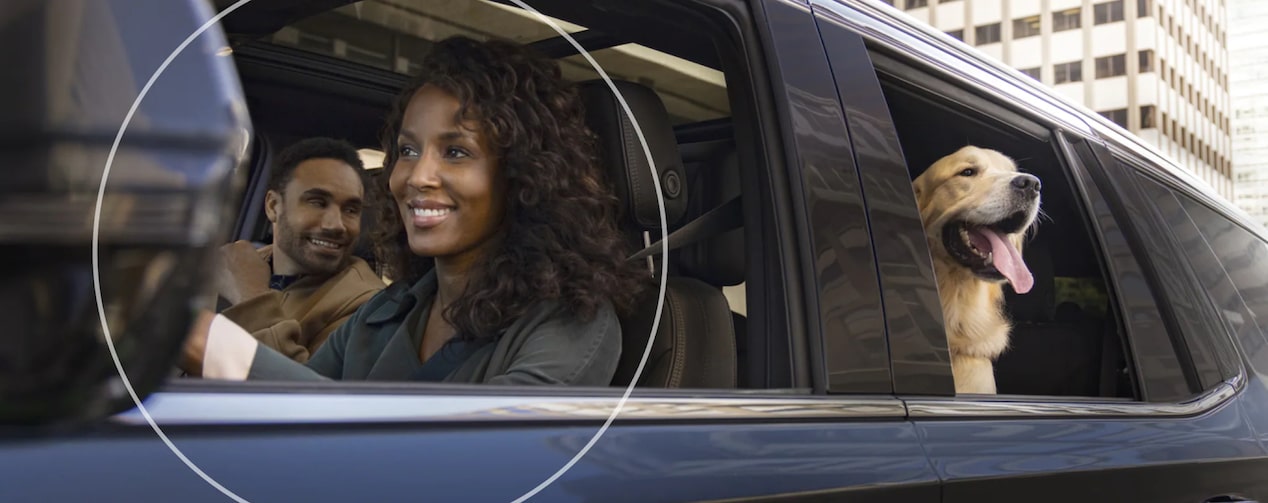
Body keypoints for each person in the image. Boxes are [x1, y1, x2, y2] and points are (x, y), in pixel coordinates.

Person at [182, 36, 647, 386]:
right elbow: (294, 420)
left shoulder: (571, 323)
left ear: (523, 176)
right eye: (407, 150)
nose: (415, 176)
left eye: (457, 152)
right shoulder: (387, 311)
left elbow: (467, 466)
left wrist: (216, 347)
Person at [214, 137, 385, 363]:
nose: (336, 224)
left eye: (351, 209)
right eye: (317, 202)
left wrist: (251, 296)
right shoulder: (239, 265)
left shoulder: (366, 306)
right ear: (273, 206)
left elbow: (298, 393)